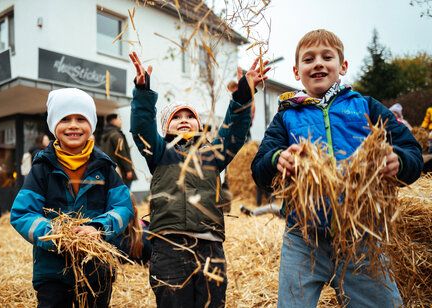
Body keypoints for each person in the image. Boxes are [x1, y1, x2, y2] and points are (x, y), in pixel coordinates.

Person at [251, 29, 423, 307]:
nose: (318, 63)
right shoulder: (287, 115)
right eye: (309, 59)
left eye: (326, 57)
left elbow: (412, 152)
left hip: (360, 236)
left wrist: (398, 161)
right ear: (297, 71)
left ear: (342, 66)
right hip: (303, 237)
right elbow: (259, 168)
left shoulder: (365, 106)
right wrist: (278, 160)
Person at [129, 51, 269, 308]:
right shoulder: (159, 153)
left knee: (212, 302)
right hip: (168, 246)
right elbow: (141, 128)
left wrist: (243, 94)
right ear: (164, 128)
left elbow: (234, 130)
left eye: (190, 116)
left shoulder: (212, 154)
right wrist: (142, 93)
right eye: (176, 118)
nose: (184, 120)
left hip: (209, 247)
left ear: (198, 124)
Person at [10, 88, 134, 308]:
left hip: (96, 268)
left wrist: (99, 227)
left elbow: (123, 206)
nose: (74, 125)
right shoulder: (42, 168)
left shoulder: (104, 167)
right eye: (65, 118)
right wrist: (54, 234)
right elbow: (22, 213)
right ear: (53, 125)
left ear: (92, 124)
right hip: (53, 271)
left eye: (81, 118)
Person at [101, 113, 137, 188]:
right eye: (119, 119)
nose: (121, 121)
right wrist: (128, 169)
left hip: (110, 170)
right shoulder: (116, 135)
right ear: (114, 121)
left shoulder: (105, 136)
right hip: (121, 171)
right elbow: (121, 153)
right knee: (125, 193)